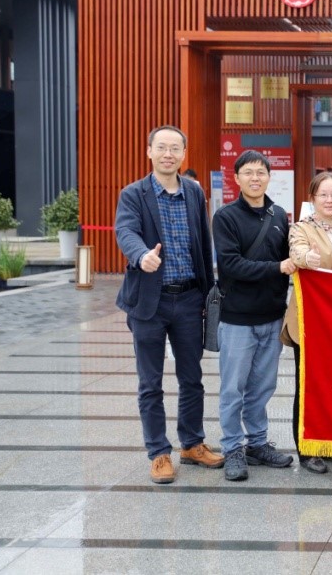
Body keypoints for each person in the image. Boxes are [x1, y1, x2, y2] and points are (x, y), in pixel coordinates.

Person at [114, 125, 222, 484]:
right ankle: (159, 452)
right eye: (161, 147)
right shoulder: (133, 194)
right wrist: (141, 255)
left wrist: (208, 293)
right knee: (151, 382)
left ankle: (191, 443)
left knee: (192, 378)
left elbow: (203, 244)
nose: (168, 154)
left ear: (183, 154)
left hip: (189, 299)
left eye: (175, 148)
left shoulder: (194, 192)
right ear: (149, 151)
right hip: (149, 301)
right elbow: (125, 232)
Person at [214, 150, 296, 481]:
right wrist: (277, 268)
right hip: (237, 319)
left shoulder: (279, 216)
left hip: (272, 317)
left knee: (263, 387)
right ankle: (232, 448)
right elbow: (231, 264)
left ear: (269, 177)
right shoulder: (226, 217)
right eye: (248, 172)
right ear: (236, 178)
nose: (255, 178)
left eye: (261, 172)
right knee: (233, 388)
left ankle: (258, 443)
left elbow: (290, 257)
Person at [282, 171, 332, 474]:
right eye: (323, 194)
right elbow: (297, 251)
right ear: (312, 198)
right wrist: (305, 258)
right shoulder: (302, 228)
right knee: (308, 385)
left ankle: (329, 443)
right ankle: (307, 449)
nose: (329, 200)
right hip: (310, 320)